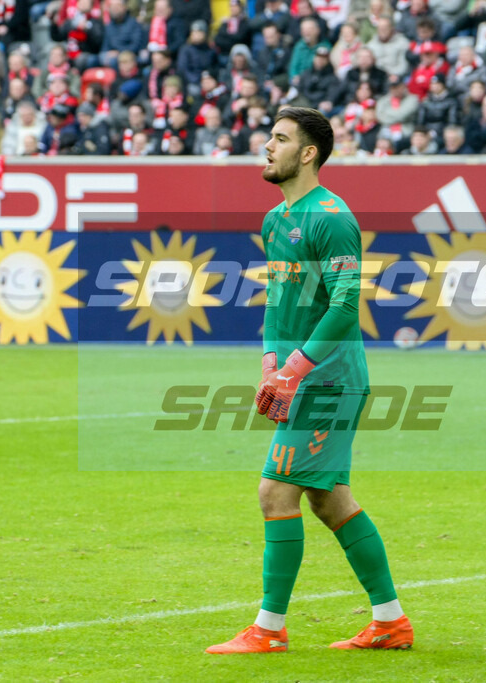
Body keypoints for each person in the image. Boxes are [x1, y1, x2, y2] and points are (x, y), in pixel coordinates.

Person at [206, 106, 412, 655]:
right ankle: (390, 622)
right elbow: (278, 302)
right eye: (269, 137)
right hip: (303, 378)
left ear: (309, 153)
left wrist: (297, 370)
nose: (266, 146)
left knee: (275, 491)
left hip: (332, 380)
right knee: (329, 501)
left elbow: (345, 307)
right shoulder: (277, 220)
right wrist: (272, 366)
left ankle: (269, 630)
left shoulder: (332, 217)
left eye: (279, 138)